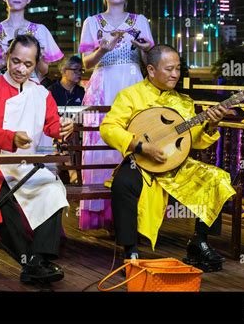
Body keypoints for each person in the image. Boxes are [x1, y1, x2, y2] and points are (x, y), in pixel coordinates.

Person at [100, 45, 236, 272]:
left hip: (174, 165)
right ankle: (130, 249)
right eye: (169, 69)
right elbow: (108, 128)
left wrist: (212, 124)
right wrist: (141, 146)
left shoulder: (183, 103)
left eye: (178, 69)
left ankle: (199, 241)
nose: (175, 74)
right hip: (141, 163)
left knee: (217, 178)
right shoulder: (131, 95)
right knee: (123, 183)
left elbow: (195, 140)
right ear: (151, 70)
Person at [0, 35, 73, 284]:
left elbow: (52, 124)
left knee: (52, 189)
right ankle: (30, 262)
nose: (20, 69)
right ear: (6, 58)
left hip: (29, 163)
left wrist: (65, 127)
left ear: (36, 65)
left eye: (28, 64)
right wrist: (11, 138)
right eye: (15, 61)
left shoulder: (42, 93)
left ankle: (37, 259)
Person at [80, 0, 154, 184]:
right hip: (103, 84)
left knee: (133, 132)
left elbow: (149, 59)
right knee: (101, 137)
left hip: (132, 83)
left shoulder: (139, 20)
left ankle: (133, 197)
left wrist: (146, 49)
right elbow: (86, 63)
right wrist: (102, 50)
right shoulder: (92, 22)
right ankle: (98, 197)